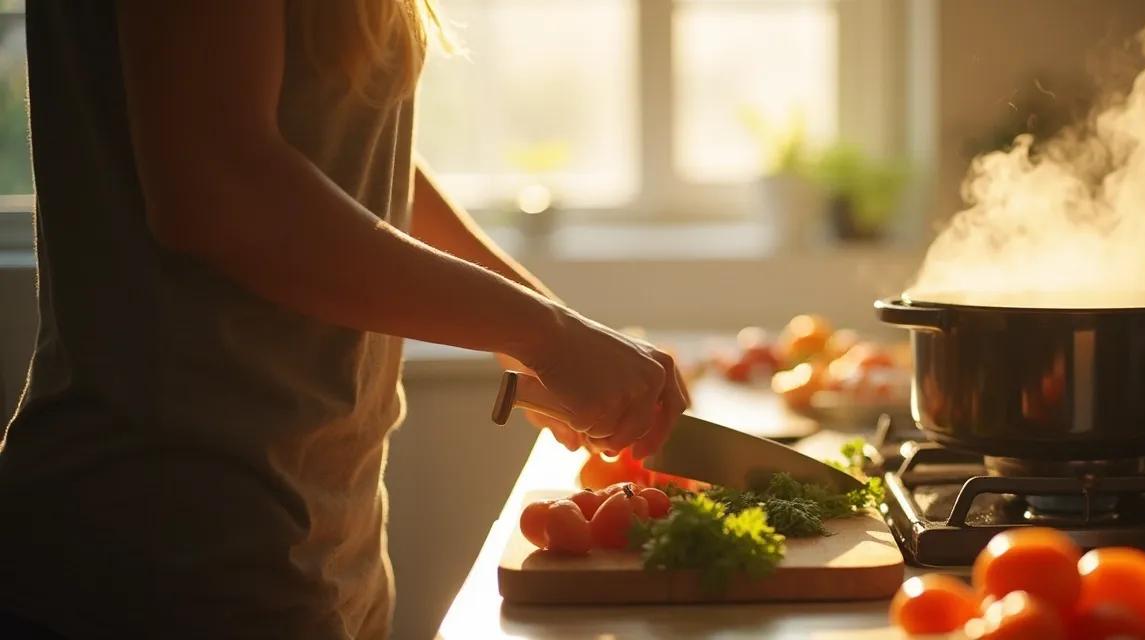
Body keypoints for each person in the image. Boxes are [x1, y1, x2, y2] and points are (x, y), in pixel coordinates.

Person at [0, 1, 688, 638]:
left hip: (324, 538)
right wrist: (541, 331)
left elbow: (344, 150)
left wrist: (545, 327)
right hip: (170, 547)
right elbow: (220, 189)